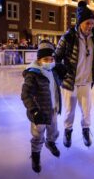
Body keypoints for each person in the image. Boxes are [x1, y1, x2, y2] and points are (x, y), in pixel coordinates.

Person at [55, 0, 94, 148]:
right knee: (69, 112)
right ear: (80, 22)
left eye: (92, 23)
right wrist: (62, 73)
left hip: (86, 82)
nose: (90, 26)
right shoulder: (68, 37)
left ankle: (86, 131)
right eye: (87, 23)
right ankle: (68, 132)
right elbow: (56, 57)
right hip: (70, 82)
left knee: (87, 112)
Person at [21, 40, 62, 173]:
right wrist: (34, 111)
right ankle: (35, 155)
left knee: (53, 130)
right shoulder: (33, 74)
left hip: (53, 109)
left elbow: (56, 87)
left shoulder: (53, 69)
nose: (49, 61)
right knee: (38, 136)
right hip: (39, 112)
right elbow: (25, 94)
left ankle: (50, 142)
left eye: (51, 58)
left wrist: (63, 73)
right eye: (46, 59)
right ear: (38, 60)